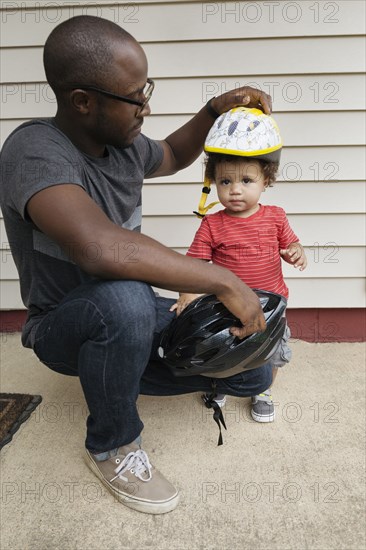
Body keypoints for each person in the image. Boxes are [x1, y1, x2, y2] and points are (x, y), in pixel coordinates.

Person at [0, 15, 276, 515]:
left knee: (252, 372)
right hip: (66, 325)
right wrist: (224, 279)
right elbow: (99, 249)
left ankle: (121, 372)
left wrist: (215, 108)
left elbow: (173, 152)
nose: (145, 106)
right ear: (83, 101)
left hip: (132, 310)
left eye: (145, 89)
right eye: (134, 96)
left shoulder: (123, 146)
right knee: (125, 297)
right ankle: (113, 443)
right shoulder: (35, 151)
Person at [171, 107, 307, 422]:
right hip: (225, 303)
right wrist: (186, 295)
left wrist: (296, 251)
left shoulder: (275, 217)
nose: (235, 189)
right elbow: (194, 263)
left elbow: (291, 243)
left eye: (246, 180)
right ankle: (224, 380)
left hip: (268, 303)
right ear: (214, 183)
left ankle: (262, 390)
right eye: (225, 181)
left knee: (264, 348)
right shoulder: (213, 225)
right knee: (225, 343)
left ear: (266, 180)